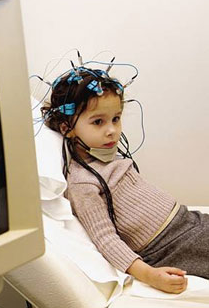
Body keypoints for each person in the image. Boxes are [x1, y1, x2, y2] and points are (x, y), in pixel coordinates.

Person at [41, 66, 209, 294]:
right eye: (98, 122)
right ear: (67, 128)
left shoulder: (109, 157)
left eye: (116, 118)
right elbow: (106, 239)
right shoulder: (83, 182)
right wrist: (150, 275)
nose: (112, 130)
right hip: (171, 246)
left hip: (188, 221)